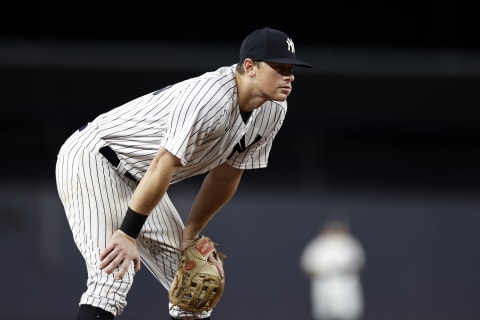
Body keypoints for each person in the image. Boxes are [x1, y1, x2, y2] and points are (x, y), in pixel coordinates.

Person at [55, 27, 313, 320]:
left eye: (291, 68)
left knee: (192, 285)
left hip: (142, 179)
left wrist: (191, 235)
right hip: (94, 160)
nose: (289, 76)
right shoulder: (211, 98)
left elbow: (227, 175)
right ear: (250, 67)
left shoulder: (273, 109)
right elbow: (163, 163)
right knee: (112, 276)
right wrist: (128, 233)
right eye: (279, 67)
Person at [300, 216, 366, 320]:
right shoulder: (317, 246)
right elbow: (307, 267)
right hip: (324, 288)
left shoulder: (350, 244)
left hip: (347, 288)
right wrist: (323, 272)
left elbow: (359, 263)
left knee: (348, 314)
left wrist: (343, 269)